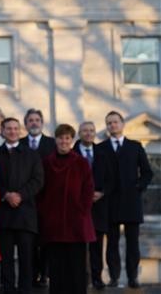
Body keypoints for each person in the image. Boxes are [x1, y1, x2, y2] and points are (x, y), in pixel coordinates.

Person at [37, 124, 95, 294]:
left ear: (72, 140)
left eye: (67, 138)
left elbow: (88, 189)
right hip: (53, 223)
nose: (64, 141)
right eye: (61, 138)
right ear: (56, 140)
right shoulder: (47, 162)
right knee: (56, 267)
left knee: (77, 267)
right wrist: (45, 212)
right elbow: (41, 190)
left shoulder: (81, 163)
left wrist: (81, 211)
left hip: (76, 223)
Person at [99, 111, 153, 289]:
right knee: (112, 243)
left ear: (122, 124)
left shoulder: (135, 146)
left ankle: (132, 278)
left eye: (115, 122)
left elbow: (147, 172)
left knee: (132, 243)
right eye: (109, 123)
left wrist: (138, 188)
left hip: (131, 202)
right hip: (110, 202)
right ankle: (114, 277)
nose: (112, 125)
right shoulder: (101, 148)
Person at [0, 118, 44, 294]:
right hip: (4, 215)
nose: (13, 131)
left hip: (25, 215)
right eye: (9, 128)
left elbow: (38, 180)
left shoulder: (31, 154)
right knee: (5, 259)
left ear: (20, 131)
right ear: (3, 130)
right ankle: (7, 290)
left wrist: (20, 195)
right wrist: (6, 195)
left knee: (26, 259)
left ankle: (25, 290)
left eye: (16, 128)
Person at [73, 121, 116, 290]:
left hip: (98, 206)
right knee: (77, 246)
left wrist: (102, 192)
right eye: (85, 131)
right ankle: (79, 278)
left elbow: (112, 178)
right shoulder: (72, 153)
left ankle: (97, 278)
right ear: (79, 133)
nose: (89, 133)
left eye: (92, 131)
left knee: (97, 245)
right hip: (78, 206)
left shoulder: (103, 153)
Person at [18, 108, 54, 287]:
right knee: (28, 242)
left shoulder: (52, 144)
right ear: (25, 124)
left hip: (47, 199)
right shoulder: (20, 144)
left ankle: (44, 274)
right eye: (30, 120)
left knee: (46, 239)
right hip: (25, 201)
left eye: (37, 120)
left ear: (42, 123)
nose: (34, 123)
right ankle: (31, 275)